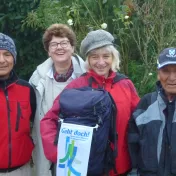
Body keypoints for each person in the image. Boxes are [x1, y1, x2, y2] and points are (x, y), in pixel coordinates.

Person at [40, 29, 140, 176]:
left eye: (106, 56)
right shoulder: (77, 86)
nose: (101, 62)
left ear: (113, 58)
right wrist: (60, 154)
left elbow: (139, 119)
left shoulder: (125, 85)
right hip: (88, 167)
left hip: (122, 167)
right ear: (88, 60)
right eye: (94, 57)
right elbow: (49, 120)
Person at [29, 23, 85, 176]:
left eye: (64, 43)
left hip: (80, 144)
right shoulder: (36, 79)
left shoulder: (88, 76)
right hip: (48, 145)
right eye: (53, 44)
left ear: (72, 47)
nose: (59, 47)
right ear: (48, 51)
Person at [128, 47, 176, 176]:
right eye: (166, 71)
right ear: (158, 73)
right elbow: (132, 144)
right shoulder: (146, 103)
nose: (172, 77)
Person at [0, 33, 36, 176]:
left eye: (7, 54)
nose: (2, 60)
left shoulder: (27, 89)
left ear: (14, 58)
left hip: (22, 170)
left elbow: (33, 122)